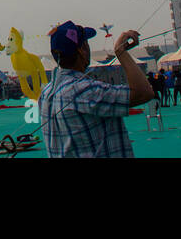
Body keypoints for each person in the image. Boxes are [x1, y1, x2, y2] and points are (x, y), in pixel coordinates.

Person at [38, 21, 153, 158]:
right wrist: (120, 52)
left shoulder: (45, 93)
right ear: (81, 50)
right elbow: (143, 93)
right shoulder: (84, 90)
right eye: (86, 43)